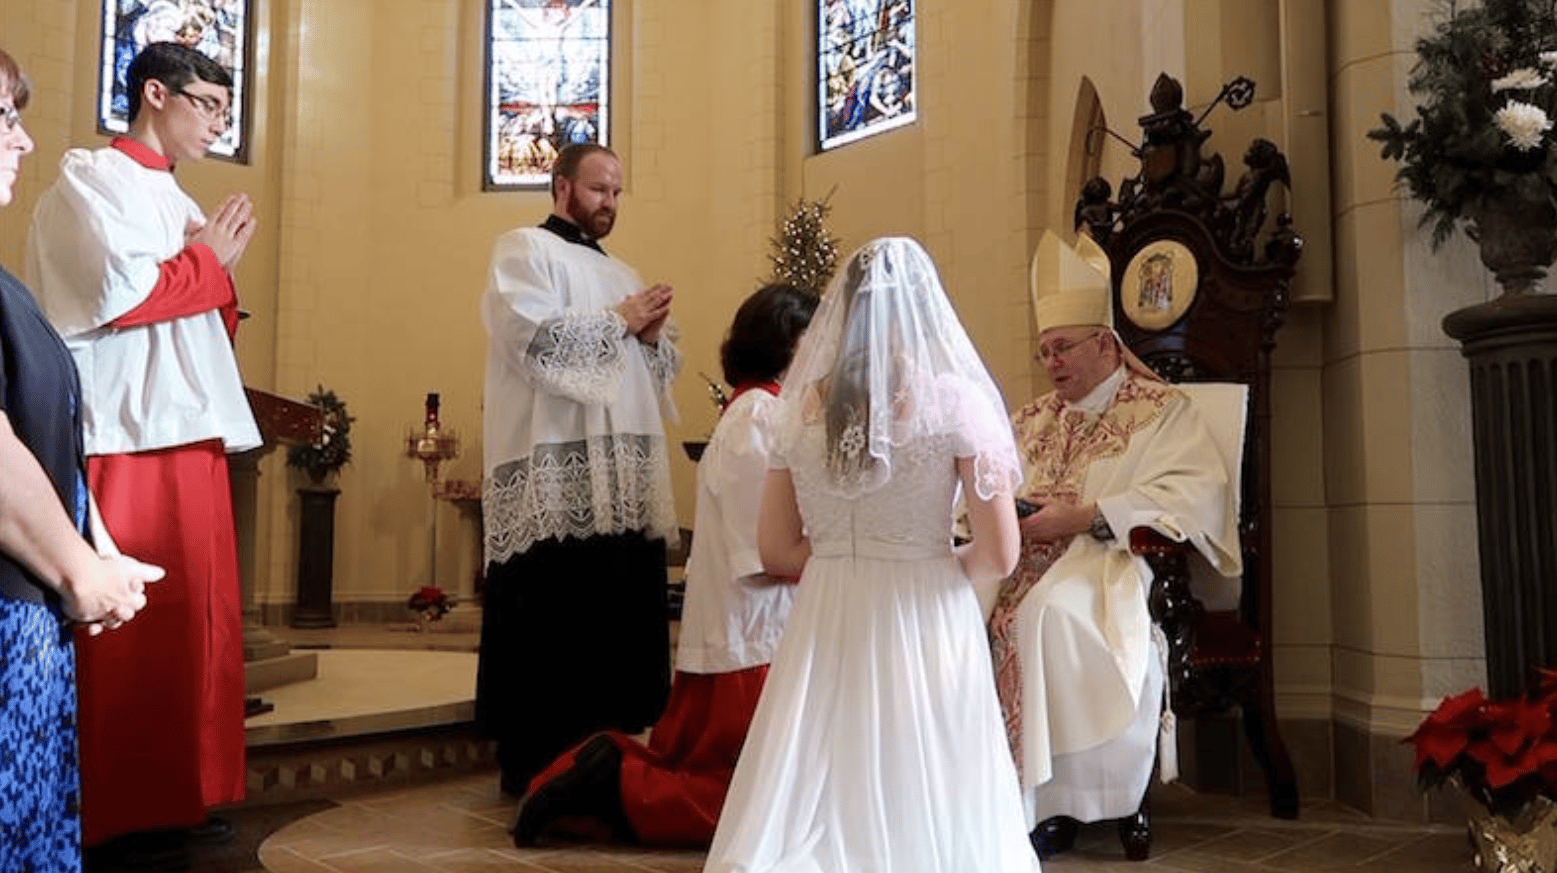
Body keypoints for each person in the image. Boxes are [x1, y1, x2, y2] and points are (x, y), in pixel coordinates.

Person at [704, 237, 1040, 873]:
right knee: (929, 773)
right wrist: (930, 568)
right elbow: (1000, 554)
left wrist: (842, 566)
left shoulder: (798, 410)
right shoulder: (957, 402)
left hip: (826, 610)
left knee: (822, 777)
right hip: (924, 609)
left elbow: (776, 548)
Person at [26, 40, 261, 851]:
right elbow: (120, 298)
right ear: (153, 93)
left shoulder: (177, 199)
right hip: (127, 432)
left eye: (227, 112)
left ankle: (176, 795)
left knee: (194, 626)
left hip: (186, 427)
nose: (217, 123)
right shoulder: (92, 178)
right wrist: (211, 265)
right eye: (207, 104)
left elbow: (196, 309)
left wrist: (210, 269)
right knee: (131, 635)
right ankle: (116, 806)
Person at [511, 282, 818, 848]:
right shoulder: (762, 419)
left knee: (749, 787)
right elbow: (770, 550)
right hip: (755, 643)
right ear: (789, 345)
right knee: (758, 807)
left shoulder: (756, 412)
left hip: (746, 640)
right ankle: (614, 782)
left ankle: (610, 775)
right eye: (814, 339)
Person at [986, 230, 1239, 860]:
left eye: (1063, 348)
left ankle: (1055, 802)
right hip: (1019, 557)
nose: (1052, 363)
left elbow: (1195, 493)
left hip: (1109, 561)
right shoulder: (1032, 417)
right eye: (1044, 351)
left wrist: (1085, 516)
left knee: (1044, 617)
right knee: (956, 608)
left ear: (1105, 344)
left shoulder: (1161, 410)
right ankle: (981, 798)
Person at [0, 45, 164, 873]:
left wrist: (95, 547)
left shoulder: (5, 285)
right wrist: (77, 569)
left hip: (26, 622)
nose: (23, 142)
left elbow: (39, 425)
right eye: (5, 118)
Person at [479, 141, 681, 797]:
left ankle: (611, 757)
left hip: (619, 473)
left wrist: (651, 341)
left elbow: (654, 375)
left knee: (616, 620)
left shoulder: (625, 270)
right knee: (554, 622)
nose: (610, 204)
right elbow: (530, 339)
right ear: (561, 186)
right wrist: (619, 320)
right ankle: (537, 758)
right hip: (555, 471)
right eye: (599, 189)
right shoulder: (522, 250)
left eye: (618, 192)